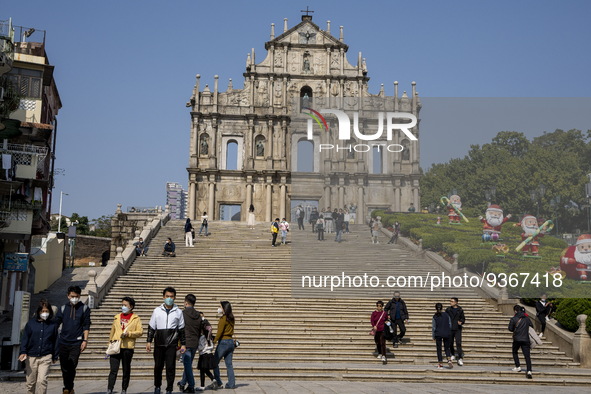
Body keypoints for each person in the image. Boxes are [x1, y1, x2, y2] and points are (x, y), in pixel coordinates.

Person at [147, 287, 187, 394]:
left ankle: (169, 388)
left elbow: (182, 329)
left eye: (171, 297)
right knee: (158, 367)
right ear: (163, 297)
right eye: (167, 296)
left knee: (170, 367)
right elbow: (151, 327)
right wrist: (148, 341)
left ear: (174, 298)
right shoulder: (156, 311)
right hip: (159, 343)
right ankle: (157, 386)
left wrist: (183, 344)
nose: (169, 298)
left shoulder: (178, 312)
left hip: (171, 344)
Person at [55, 286, 91, 394]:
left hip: (76, 342)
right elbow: (56, 324)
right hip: (63, 342)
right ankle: (69, 387)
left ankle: (68, 388)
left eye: (76, 296)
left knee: (72, 365)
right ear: (68, 296)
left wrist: (85, 340)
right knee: (64, 366)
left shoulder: (84, 309)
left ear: (79, 296)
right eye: (72, 296)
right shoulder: (62, 308)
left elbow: (86, 326)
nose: (74, 298)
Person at [19, 299, 59, 394]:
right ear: (38, 312)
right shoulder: (31, 324)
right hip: (31, 356)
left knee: (42, 381)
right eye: (42, 311)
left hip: (46, 356)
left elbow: (56, 340)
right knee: (30, 383)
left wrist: (55, 355)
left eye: (47, 311)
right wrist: (23, 351)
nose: (44, 313)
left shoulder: (53, 325)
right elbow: (25, 338)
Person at [107, 297, 143, 394]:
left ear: (131, 307)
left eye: (125, 305)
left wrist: (129, 334)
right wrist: (109, 344)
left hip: (127, 347)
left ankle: (124, 389)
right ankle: (110, 388)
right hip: (115, 346)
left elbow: (140, 332)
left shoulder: (136, 318)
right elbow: (112, 331)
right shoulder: (117, 317)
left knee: (126, 369)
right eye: (122, 305)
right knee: (113, 369)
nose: (123, 307)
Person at [178, 294, 203, 393]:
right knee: (188, 364)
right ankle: (183, 382)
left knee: (187, 364)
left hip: (186, 343)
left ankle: (191, 385)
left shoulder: (182, 314)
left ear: (186, 302)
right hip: (194, 343)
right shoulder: (198, 315)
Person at [210, 301, 236, 390]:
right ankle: (231, 384)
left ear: (224, 308)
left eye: (220, 306)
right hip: (230, 342)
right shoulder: (232, 318)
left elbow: (219, 332)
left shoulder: (223, 319)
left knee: (214, 362)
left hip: (223, 342)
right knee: (229, 365)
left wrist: (214, 341)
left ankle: (218, 382)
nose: (219, 308)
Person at [508, 305, 533, 379]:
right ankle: (529, 370)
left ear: (515, 311)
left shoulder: (513, 318)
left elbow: (510, 328)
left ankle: (518, 366)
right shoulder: (527, 319)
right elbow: (531, 326)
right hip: (526, 339)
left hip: (517, 339)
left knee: (515, 351)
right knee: (527, 355)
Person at [432, 303, 453, 369]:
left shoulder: (435, 316)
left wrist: (433, 336)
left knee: (439, 349)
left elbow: (433, 327)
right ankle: (449, 359)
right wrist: (448, 331)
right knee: (447, 348)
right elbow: (450, 324)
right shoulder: (446, 315)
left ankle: (440, 363)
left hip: (438, 334)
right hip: (446, 333)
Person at [196, 317, 215, 391]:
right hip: (209, 355)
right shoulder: (210, 337)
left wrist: (198, 348)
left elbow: (201, 347)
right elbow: (212, 346)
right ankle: (213, 379)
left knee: (202, 371)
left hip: (203, 355)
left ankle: (202, 385)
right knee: (206, 370)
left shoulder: (202, 337)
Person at [445, 297, 465, 366]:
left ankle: (460, 358)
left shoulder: (460, 310)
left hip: (457, 328)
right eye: (450, 301)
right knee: (450, 342)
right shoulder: (448, 309)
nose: (450, 302)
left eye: (452, 301)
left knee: (458, 343)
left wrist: (461, 322)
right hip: (450, 328)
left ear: (456, 302)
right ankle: (452, 354)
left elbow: (463, 318)